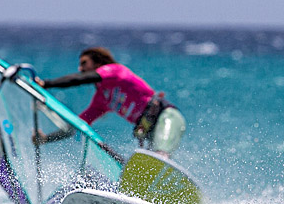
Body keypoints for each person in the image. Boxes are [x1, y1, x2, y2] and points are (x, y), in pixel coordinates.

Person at [33, 47, 186, 156]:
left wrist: (47, 84)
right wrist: (47, 139)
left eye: (84, 63)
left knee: (160, 154)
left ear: (98, 63)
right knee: (152, 163)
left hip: (167, 117)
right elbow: (78, 126)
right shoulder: (102, 99)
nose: (80, 68)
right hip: (149, 130)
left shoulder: (114, 71)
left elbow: (80, 79)